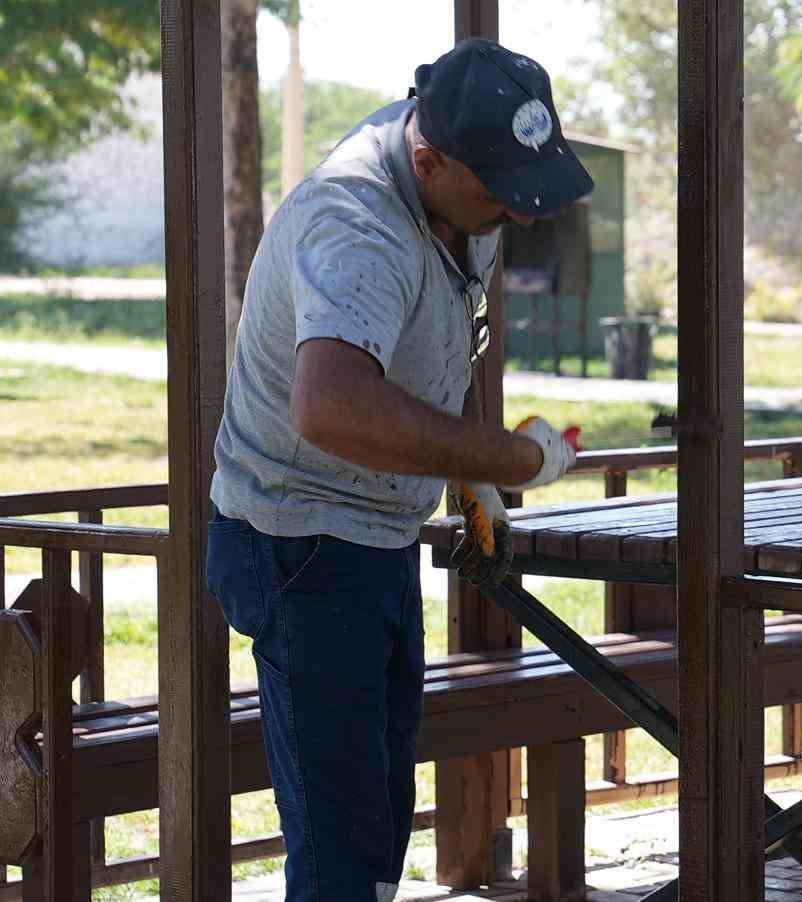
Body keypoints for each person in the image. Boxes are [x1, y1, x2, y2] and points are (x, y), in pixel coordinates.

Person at [205, 38, 587, 901]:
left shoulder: (463, 189)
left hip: (374, 531)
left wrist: (470, 476)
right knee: (342, 838)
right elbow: (332, 407)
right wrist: (512, 458)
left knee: (378, 814)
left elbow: (455, 331)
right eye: (502, 194)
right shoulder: (355, 222)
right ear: (427, 158)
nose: (522, 217)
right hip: (299, 539)